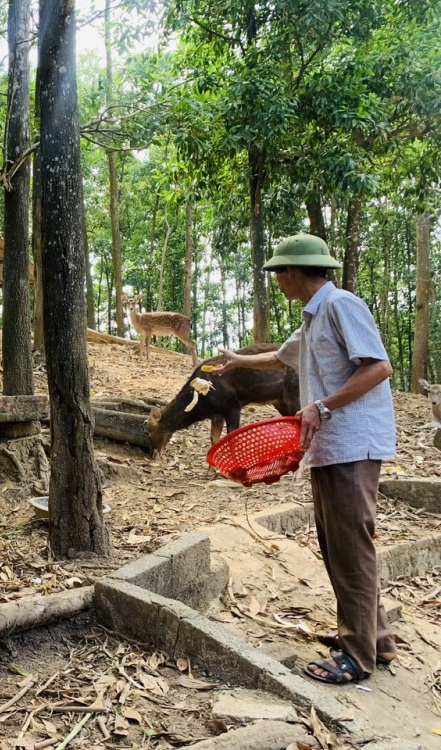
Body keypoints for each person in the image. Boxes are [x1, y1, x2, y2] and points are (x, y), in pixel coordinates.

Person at [213, 233, 397, 685]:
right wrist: (236, 360)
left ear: (293, 273)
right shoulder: (313, 316)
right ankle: (375, 638)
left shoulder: (341, 305)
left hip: (353, 444)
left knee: (352, 548)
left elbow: (379, 366)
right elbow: (281, 357)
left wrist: (322, 406)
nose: (278, 281)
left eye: (279, 274)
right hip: (329, 448)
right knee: (340, 546)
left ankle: (357, 658)